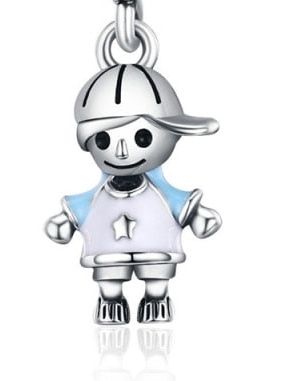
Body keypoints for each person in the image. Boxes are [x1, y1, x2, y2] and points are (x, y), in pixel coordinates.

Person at [45, 63, 222, 324]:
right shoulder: (99, 196)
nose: (121, 152)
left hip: (157, 249)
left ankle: (156, 300)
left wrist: (198, 215)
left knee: (157, 278)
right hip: (108, 251)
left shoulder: (162, 192)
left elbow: (182, 204)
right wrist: (65, 220)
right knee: (110, 279)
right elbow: (79, 207)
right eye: (104, 141)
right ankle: (110, 302)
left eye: (142, 138)